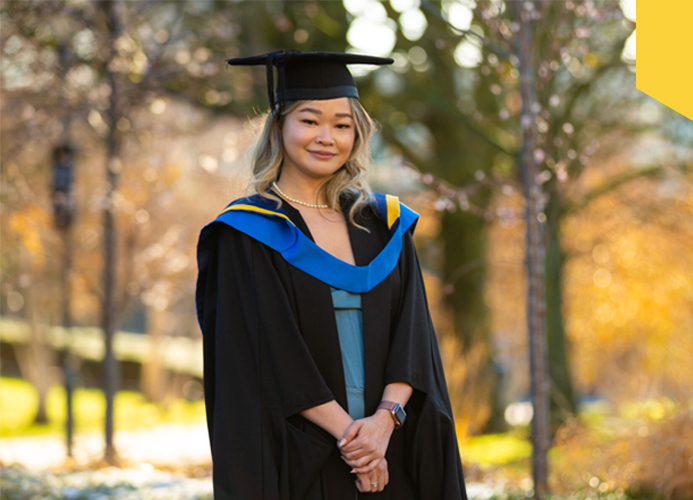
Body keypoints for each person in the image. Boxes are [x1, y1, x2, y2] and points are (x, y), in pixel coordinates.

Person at [195, 50, 468, 500]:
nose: (327, 137)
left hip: (394, 446)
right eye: (309, 121)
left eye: (342, 125)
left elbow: (414, 338)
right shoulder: (247, 233)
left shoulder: (385, 224)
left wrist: (383, 423)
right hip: (302, 455)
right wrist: (356, 441)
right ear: (279, 126)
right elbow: (271, 355)